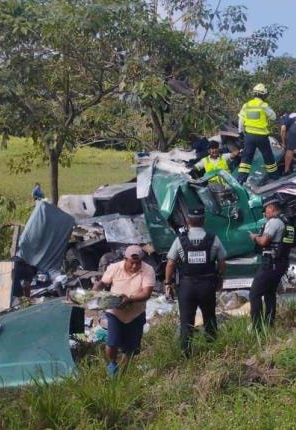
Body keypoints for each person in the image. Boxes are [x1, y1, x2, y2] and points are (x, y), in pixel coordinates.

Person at [164, 208, 227, 355]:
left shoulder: (180, 239)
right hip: (207, 285)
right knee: (210, 317)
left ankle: (187, 353)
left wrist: (168, 283)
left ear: (188, 221)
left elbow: (170, 263)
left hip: (187, 286)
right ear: (203, 221)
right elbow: (222, 261)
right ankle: (213, 350)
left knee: (186, 321)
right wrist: (220, 277)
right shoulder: (213, 238)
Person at [92, 245, 155, 376]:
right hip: (116, 312)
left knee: (131, 348)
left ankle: (123, 373)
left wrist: (130, 299)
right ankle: (112, 364)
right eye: (132, 263)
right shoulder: (115, 268)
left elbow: (146, 293)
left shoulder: (148, 270)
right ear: (125, 259)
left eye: (138, 263)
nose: (134, 266)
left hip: (136, 313)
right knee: (112, 342)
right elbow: (102, 283)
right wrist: (93, 292)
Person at [248, 196, 295, 330]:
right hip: (281, 262)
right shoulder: (286, 222)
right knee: (269, 293)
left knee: (254, 293)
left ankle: (257, 328)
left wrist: (255, 237)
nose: (265, 213)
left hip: (271, 263)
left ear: (272, 208)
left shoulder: (274, 222)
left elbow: (264, 242)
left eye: (266, 210)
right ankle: (269, 324)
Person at [237, 84, 278, 183]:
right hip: (261, 137)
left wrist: (240, 132)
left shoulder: (246, 105)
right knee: (268, 156)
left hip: (249, 136)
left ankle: (240, 180)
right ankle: (274, 177)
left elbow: (240, 121)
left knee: (246, 159)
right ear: (263, 95)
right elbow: (274, 117)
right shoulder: (264, 105)